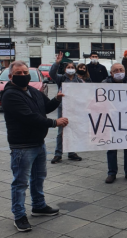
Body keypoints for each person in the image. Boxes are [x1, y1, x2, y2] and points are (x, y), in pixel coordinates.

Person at [2, 61, 68, 232]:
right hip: (22, 146)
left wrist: (57, 99)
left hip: (39, 142)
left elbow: (45, 107)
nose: (23, 75)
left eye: (25, 72)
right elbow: (30, 117)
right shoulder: (10, 95)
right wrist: (54, 122)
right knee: (20, 183)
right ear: (11, 76)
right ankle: (19, 215)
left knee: (38, 177)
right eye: (19, 73)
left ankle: (38, 206)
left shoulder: (32, 91)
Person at [103, 63, 127, 184]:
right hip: (111, 120)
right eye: (116, 70)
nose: (119, 72)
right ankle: (111, 172)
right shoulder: (104, 84)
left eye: (121, 69)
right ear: (111, 73)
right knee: (111, 148)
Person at [49, 52, 83, 164]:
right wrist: (57, 63)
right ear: (65, 69)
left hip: (75, 108)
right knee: (61, 131)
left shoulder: (78, 80)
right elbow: (52, 73)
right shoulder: (61, 78)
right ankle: (58, 154)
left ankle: (71, 152)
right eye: (68, 67)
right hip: (63, 108)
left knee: (72, 130)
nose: (70, 69)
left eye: (72, 67)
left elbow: (86, 91)